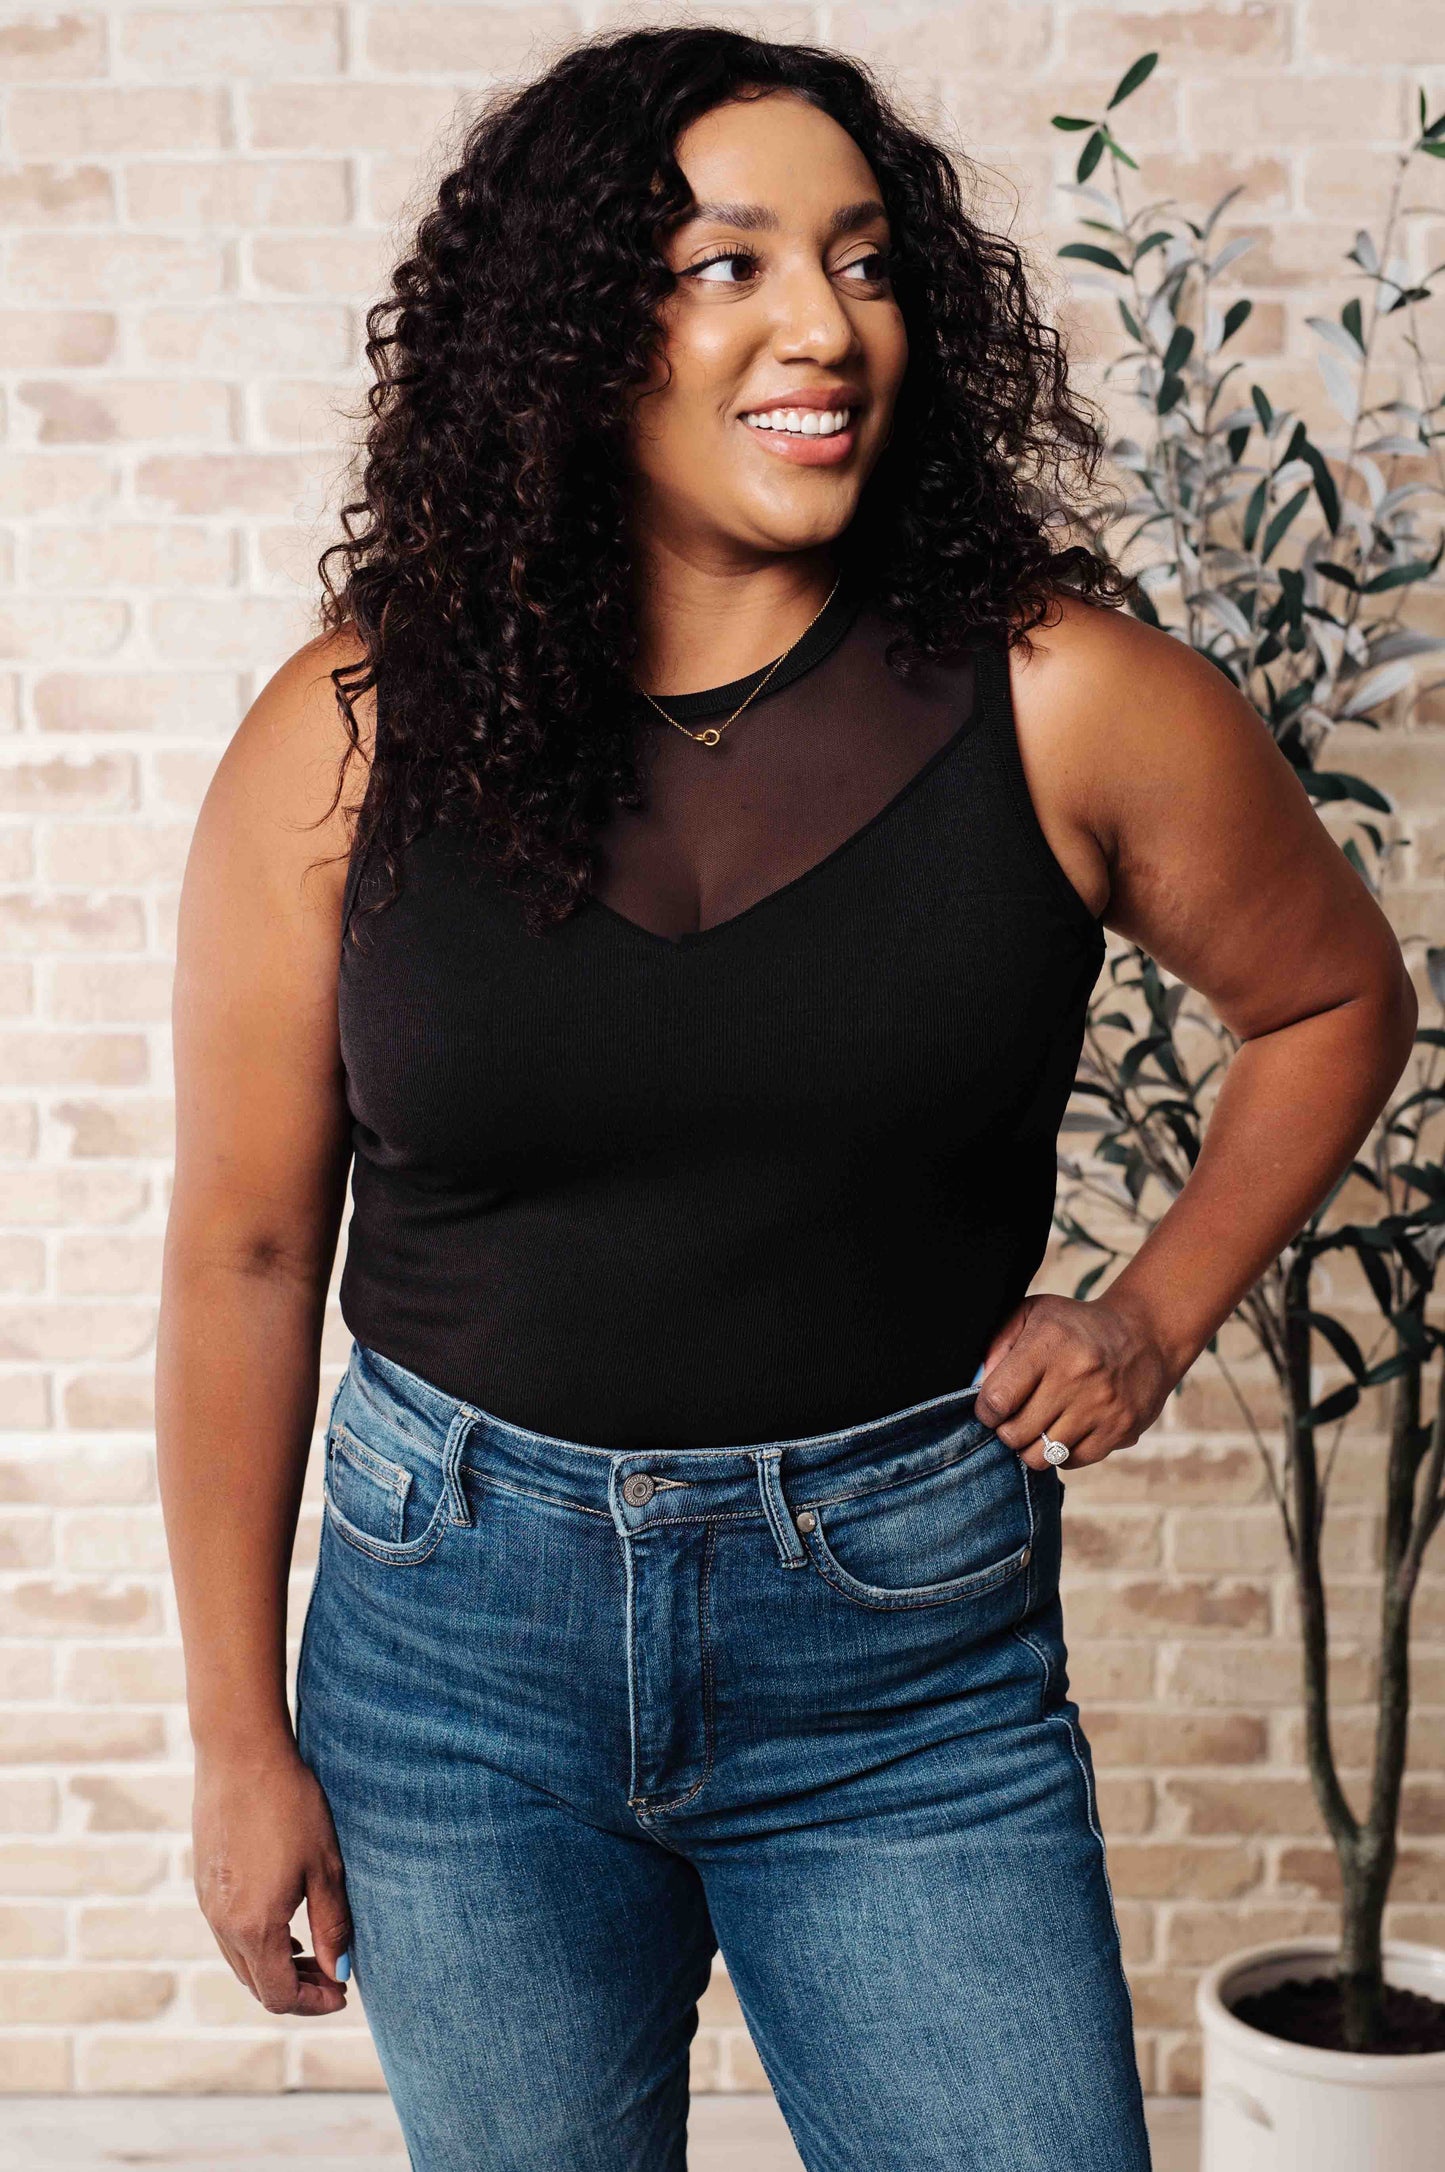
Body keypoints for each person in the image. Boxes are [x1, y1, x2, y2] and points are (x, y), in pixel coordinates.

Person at [156, 26, 1415, 2172]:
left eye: (861, 260)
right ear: (574, 331)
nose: (823, 325)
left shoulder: (1072, 701)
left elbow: (1332, 998)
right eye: (726, 264)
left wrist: (1150, 1313)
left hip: (899, 1653)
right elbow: (249, 1249)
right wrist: (234, 1742)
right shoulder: (352, 732)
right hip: (450, 1652)